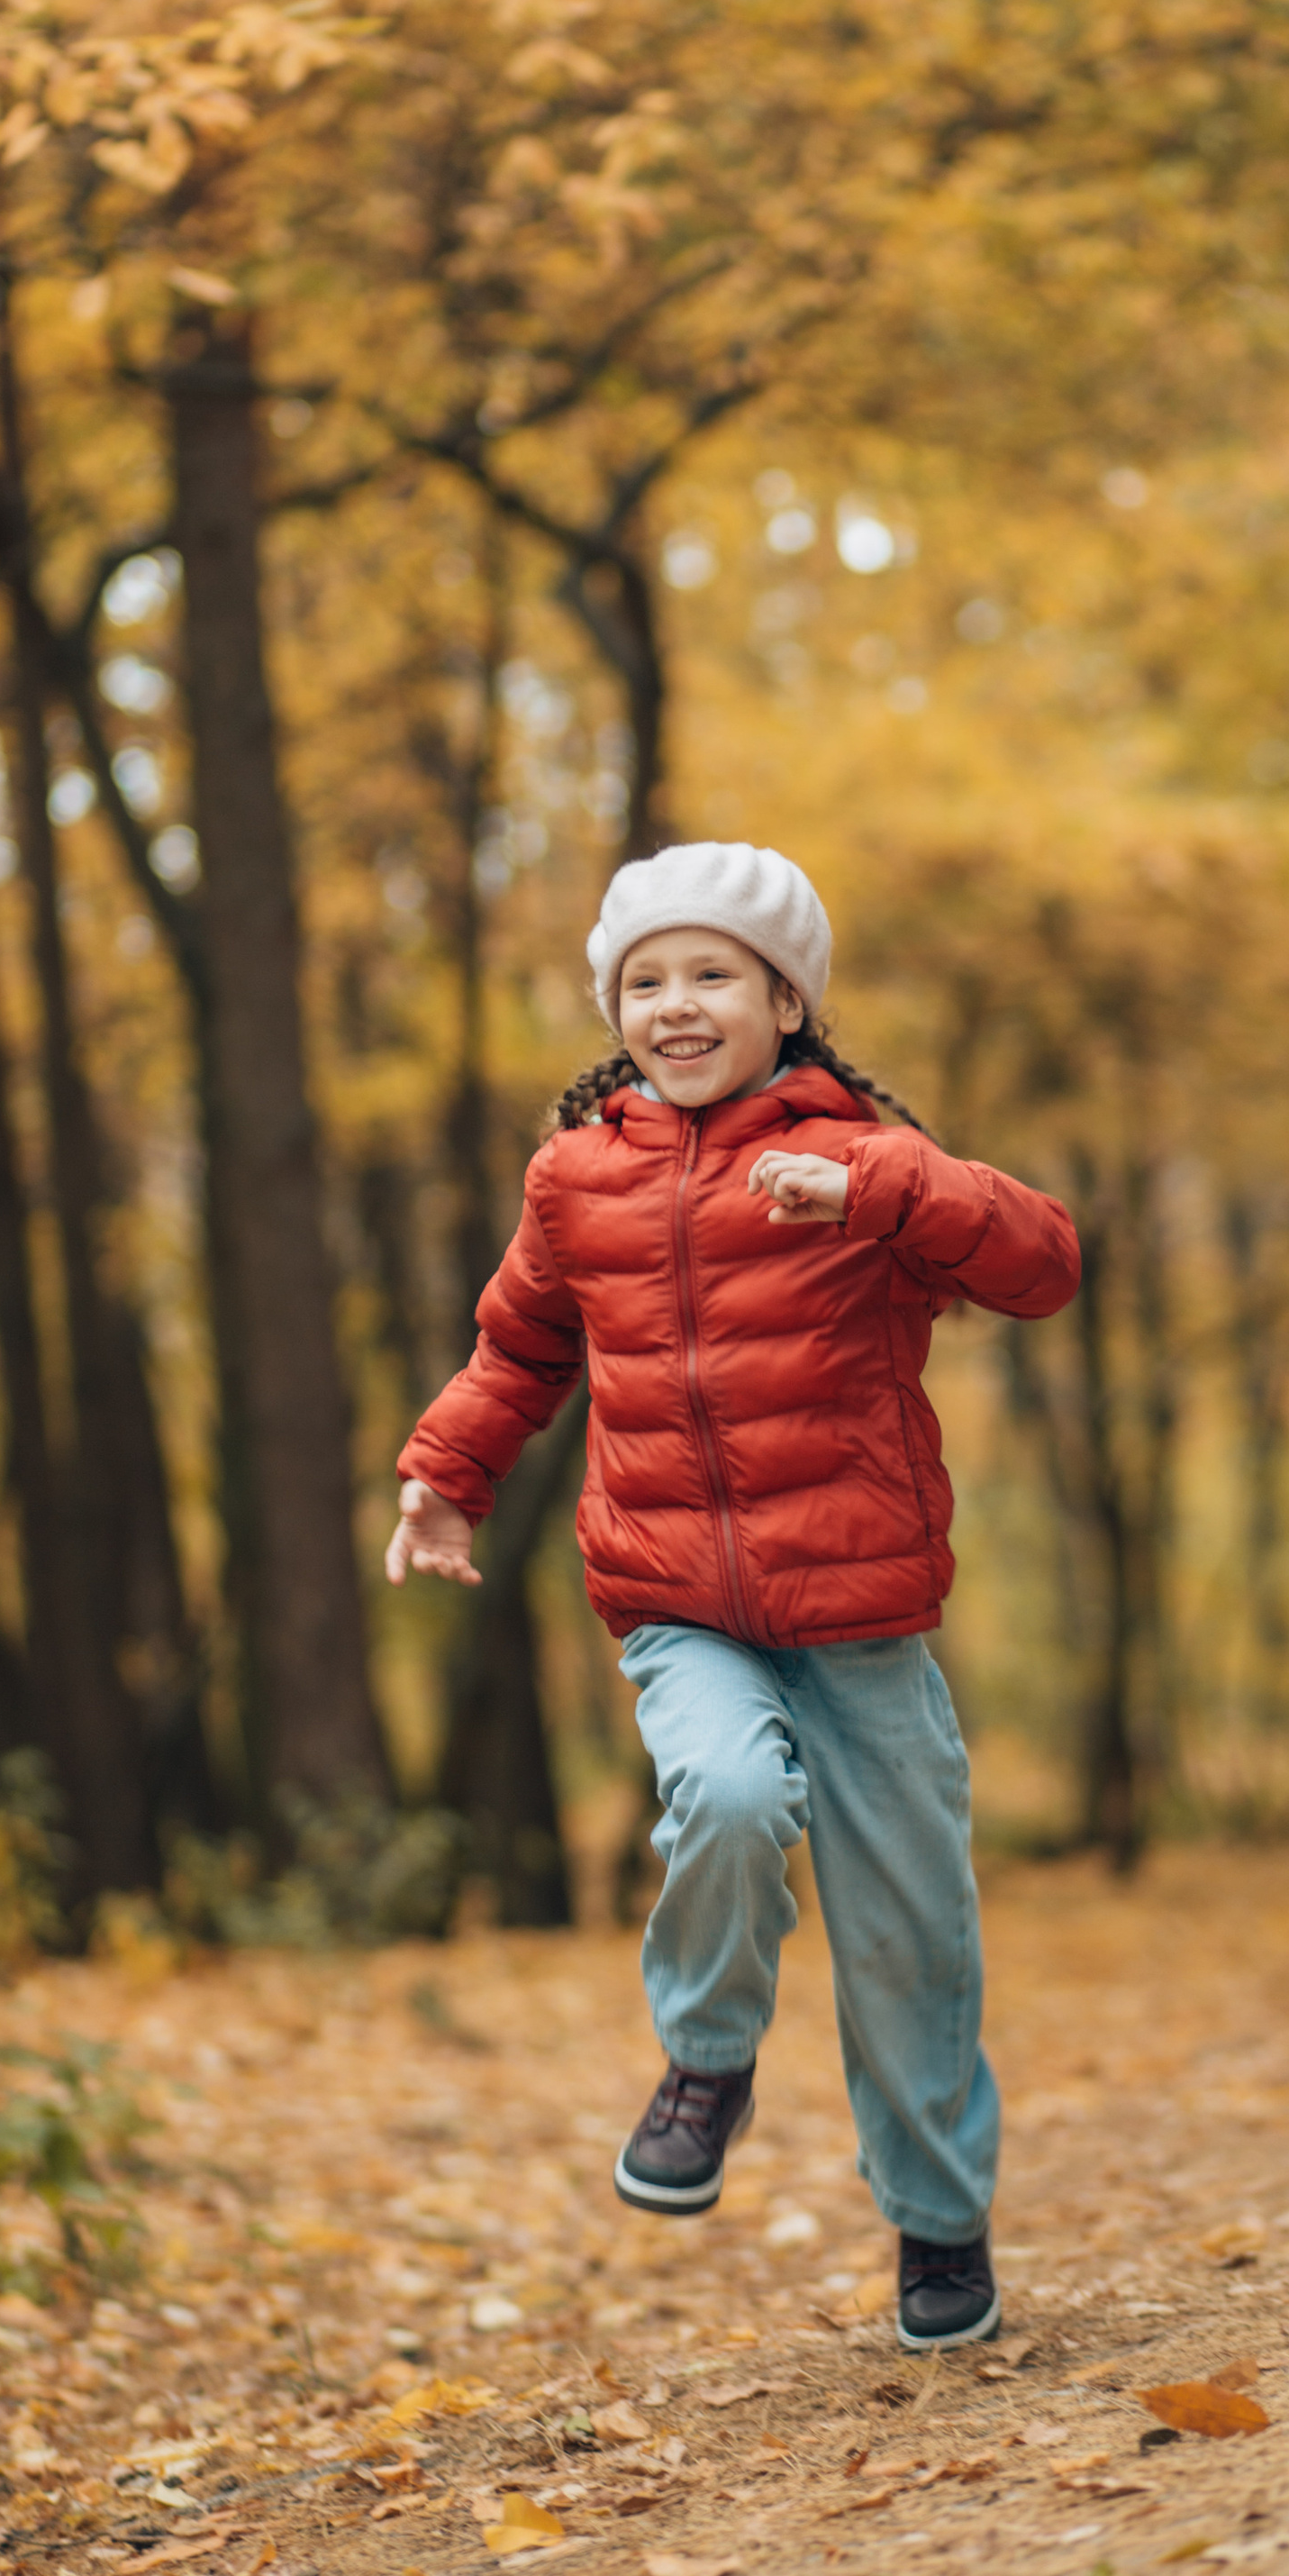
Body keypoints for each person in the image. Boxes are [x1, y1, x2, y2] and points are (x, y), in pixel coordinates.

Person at [386, 841, 1079, 2350]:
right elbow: (522, 1350)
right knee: (723, 1792)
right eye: (646, 980)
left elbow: (1044, 1265)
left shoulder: (867, 1163)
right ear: (614, 1008)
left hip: (861, 1615)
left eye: (713, 974)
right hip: (675, 1597)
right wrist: (448, 1472)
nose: (677, 1005)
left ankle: (939, 2220)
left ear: (788, 1001)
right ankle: (707, 2061)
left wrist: (884, 1186)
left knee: (911, 1936)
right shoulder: (578, 1178)